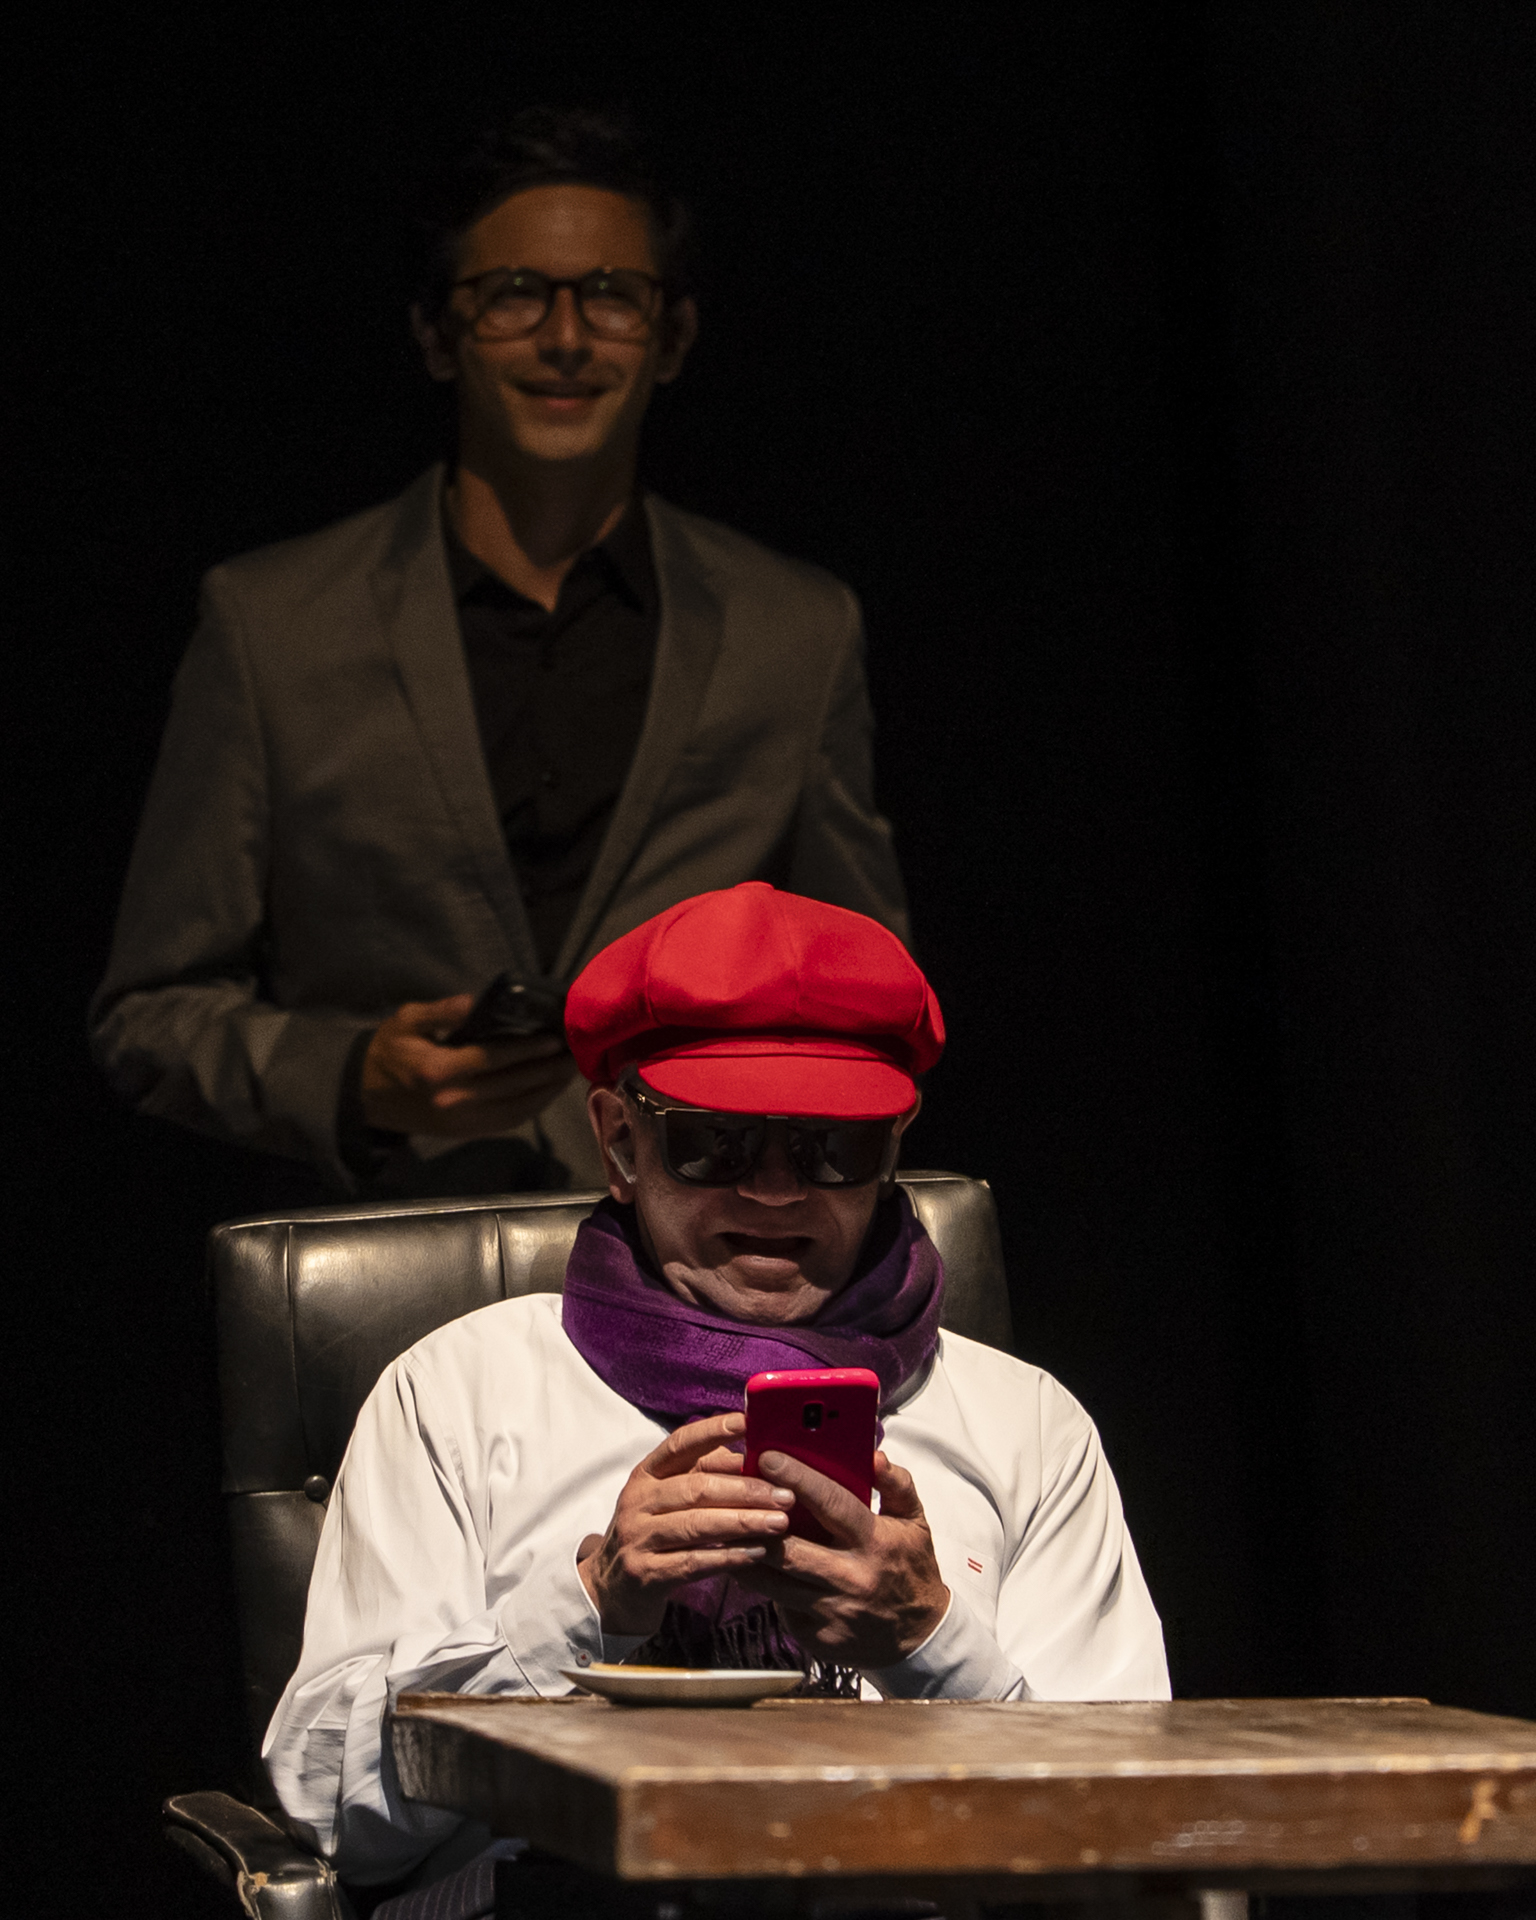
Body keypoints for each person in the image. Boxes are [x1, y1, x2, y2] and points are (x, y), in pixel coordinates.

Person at [265, 883, 1169, 1905]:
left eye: (833, 1145)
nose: (775, 1190)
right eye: (715, 1140)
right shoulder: (457, 1393)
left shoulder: (1026, 1424)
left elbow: (1132, 1842)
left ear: (892, 1149)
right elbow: (328, 1811)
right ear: (619, 1142)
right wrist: (589, 1604)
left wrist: (929, 1639)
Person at [88, 109, 908, 1201]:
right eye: (515, 293)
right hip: (390, 1256)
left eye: (611, 294)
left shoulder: (792, 631)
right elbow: (151, 1014)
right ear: (439, 336)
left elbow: (866, 1000)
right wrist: (354, 1078)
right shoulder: (272, 624)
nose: (566, 336)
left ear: (671, 338)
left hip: (703, 1260)